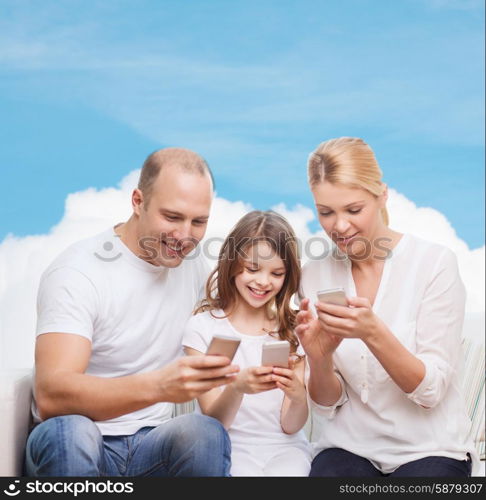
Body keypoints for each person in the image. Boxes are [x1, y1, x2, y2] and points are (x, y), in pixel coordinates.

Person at [25, 147, 240, 477]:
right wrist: (159, 387)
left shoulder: (193, 266)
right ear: (138, 201)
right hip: (81, 441)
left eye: (198, 222)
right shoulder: (78, 271)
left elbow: (244, 311)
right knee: (70, 432)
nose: (185, 236)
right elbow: (52, 395)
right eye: (171, 217)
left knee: (203, 434)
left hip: (150, 445)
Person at [296, 137, 479, 477]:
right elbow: (326, 404)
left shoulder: (434, 264)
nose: (339, 226)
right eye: (326, 212)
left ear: (382, 195)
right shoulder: (314, 275)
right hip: (348, 448)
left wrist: (372, 331)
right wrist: (319, 358)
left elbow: (431, 391)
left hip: (430, 449)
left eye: (353, 210)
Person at [182, 210, 312, 476]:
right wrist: (238, 388)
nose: (263, 282)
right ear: (232, 264)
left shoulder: (294, 330)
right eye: (253, 269)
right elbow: (214, 424)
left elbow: (290, 426)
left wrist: (298, 396)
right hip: (228, 448)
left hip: (286, 450)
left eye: (276, 273)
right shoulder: (203, 327)